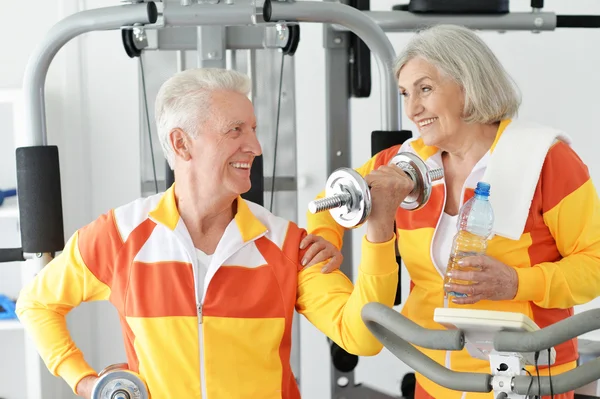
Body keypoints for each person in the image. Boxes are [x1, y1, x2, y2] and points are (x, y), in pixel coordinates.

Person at [15, 68, 412, 399]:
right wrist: (83, 381)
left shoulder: (285, 244)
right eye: (235, 130)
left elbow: (362, 338)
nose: (255, 146)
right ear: (181, 144)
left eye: (254, 129)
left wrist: (379, 231)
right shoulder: (119, 236)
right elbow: (37, 304)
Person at [307, 24, 600, 399]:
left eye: (425, 89)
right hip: (435, 377)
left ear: (469, 84)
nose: (412, 109)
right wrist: (325, 238)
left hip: (529, 378)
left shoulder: (548, 160)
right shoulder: (400, 163)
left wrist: (516, 282)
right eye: (404, 93)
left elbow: (594, 265)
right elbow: (331, 200)